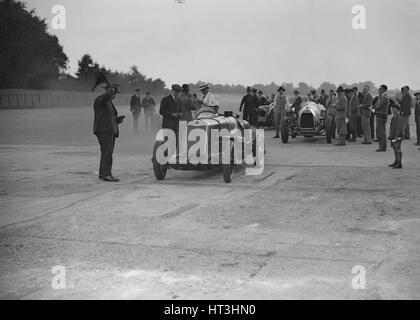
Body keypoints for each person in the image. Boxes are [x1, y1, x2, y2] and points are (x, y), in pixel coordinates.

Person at [93, 83, 124, 182]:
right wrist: (110, 93)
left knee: (105, 152)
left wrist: (117, 120)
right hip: (104, 130)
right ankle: (107, 174)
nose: (115, 95)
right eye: (114, 93)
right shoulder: (101, 99)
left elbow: (107, 116)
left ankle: (102, 173)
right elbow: (104, 100)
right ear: (109, 91)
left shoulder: (108, 101)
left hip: (109, 130)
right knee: (107, 153)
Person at [374, 84, 390, 152]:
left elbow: (378, 106)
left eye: (380, 89)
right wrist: (375, 105)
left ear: (384, 90)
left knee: (381, 132)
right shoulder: (381, 97)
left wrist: (374, 106)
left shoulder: (384, 97)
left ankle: (382, 147)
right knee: (380, 131)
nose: (378, 91)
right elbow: (376, 104)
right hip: (379, 115)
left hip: (381, 116)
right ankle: (381, 147)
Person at [388, 104, 404, 169]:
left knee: (397, 149)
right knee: (395, 149)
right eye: (392, 110)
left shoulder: (399, 118)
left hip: (397, 136)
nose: (393, 111)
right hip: (393, 136)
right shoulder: (393, 117)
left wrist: (397, 135)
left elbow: (399, 128)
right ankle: (396, 161)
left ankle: (399, 163)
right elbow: (391, 127)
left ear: (398, 110)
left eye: (394, 110)